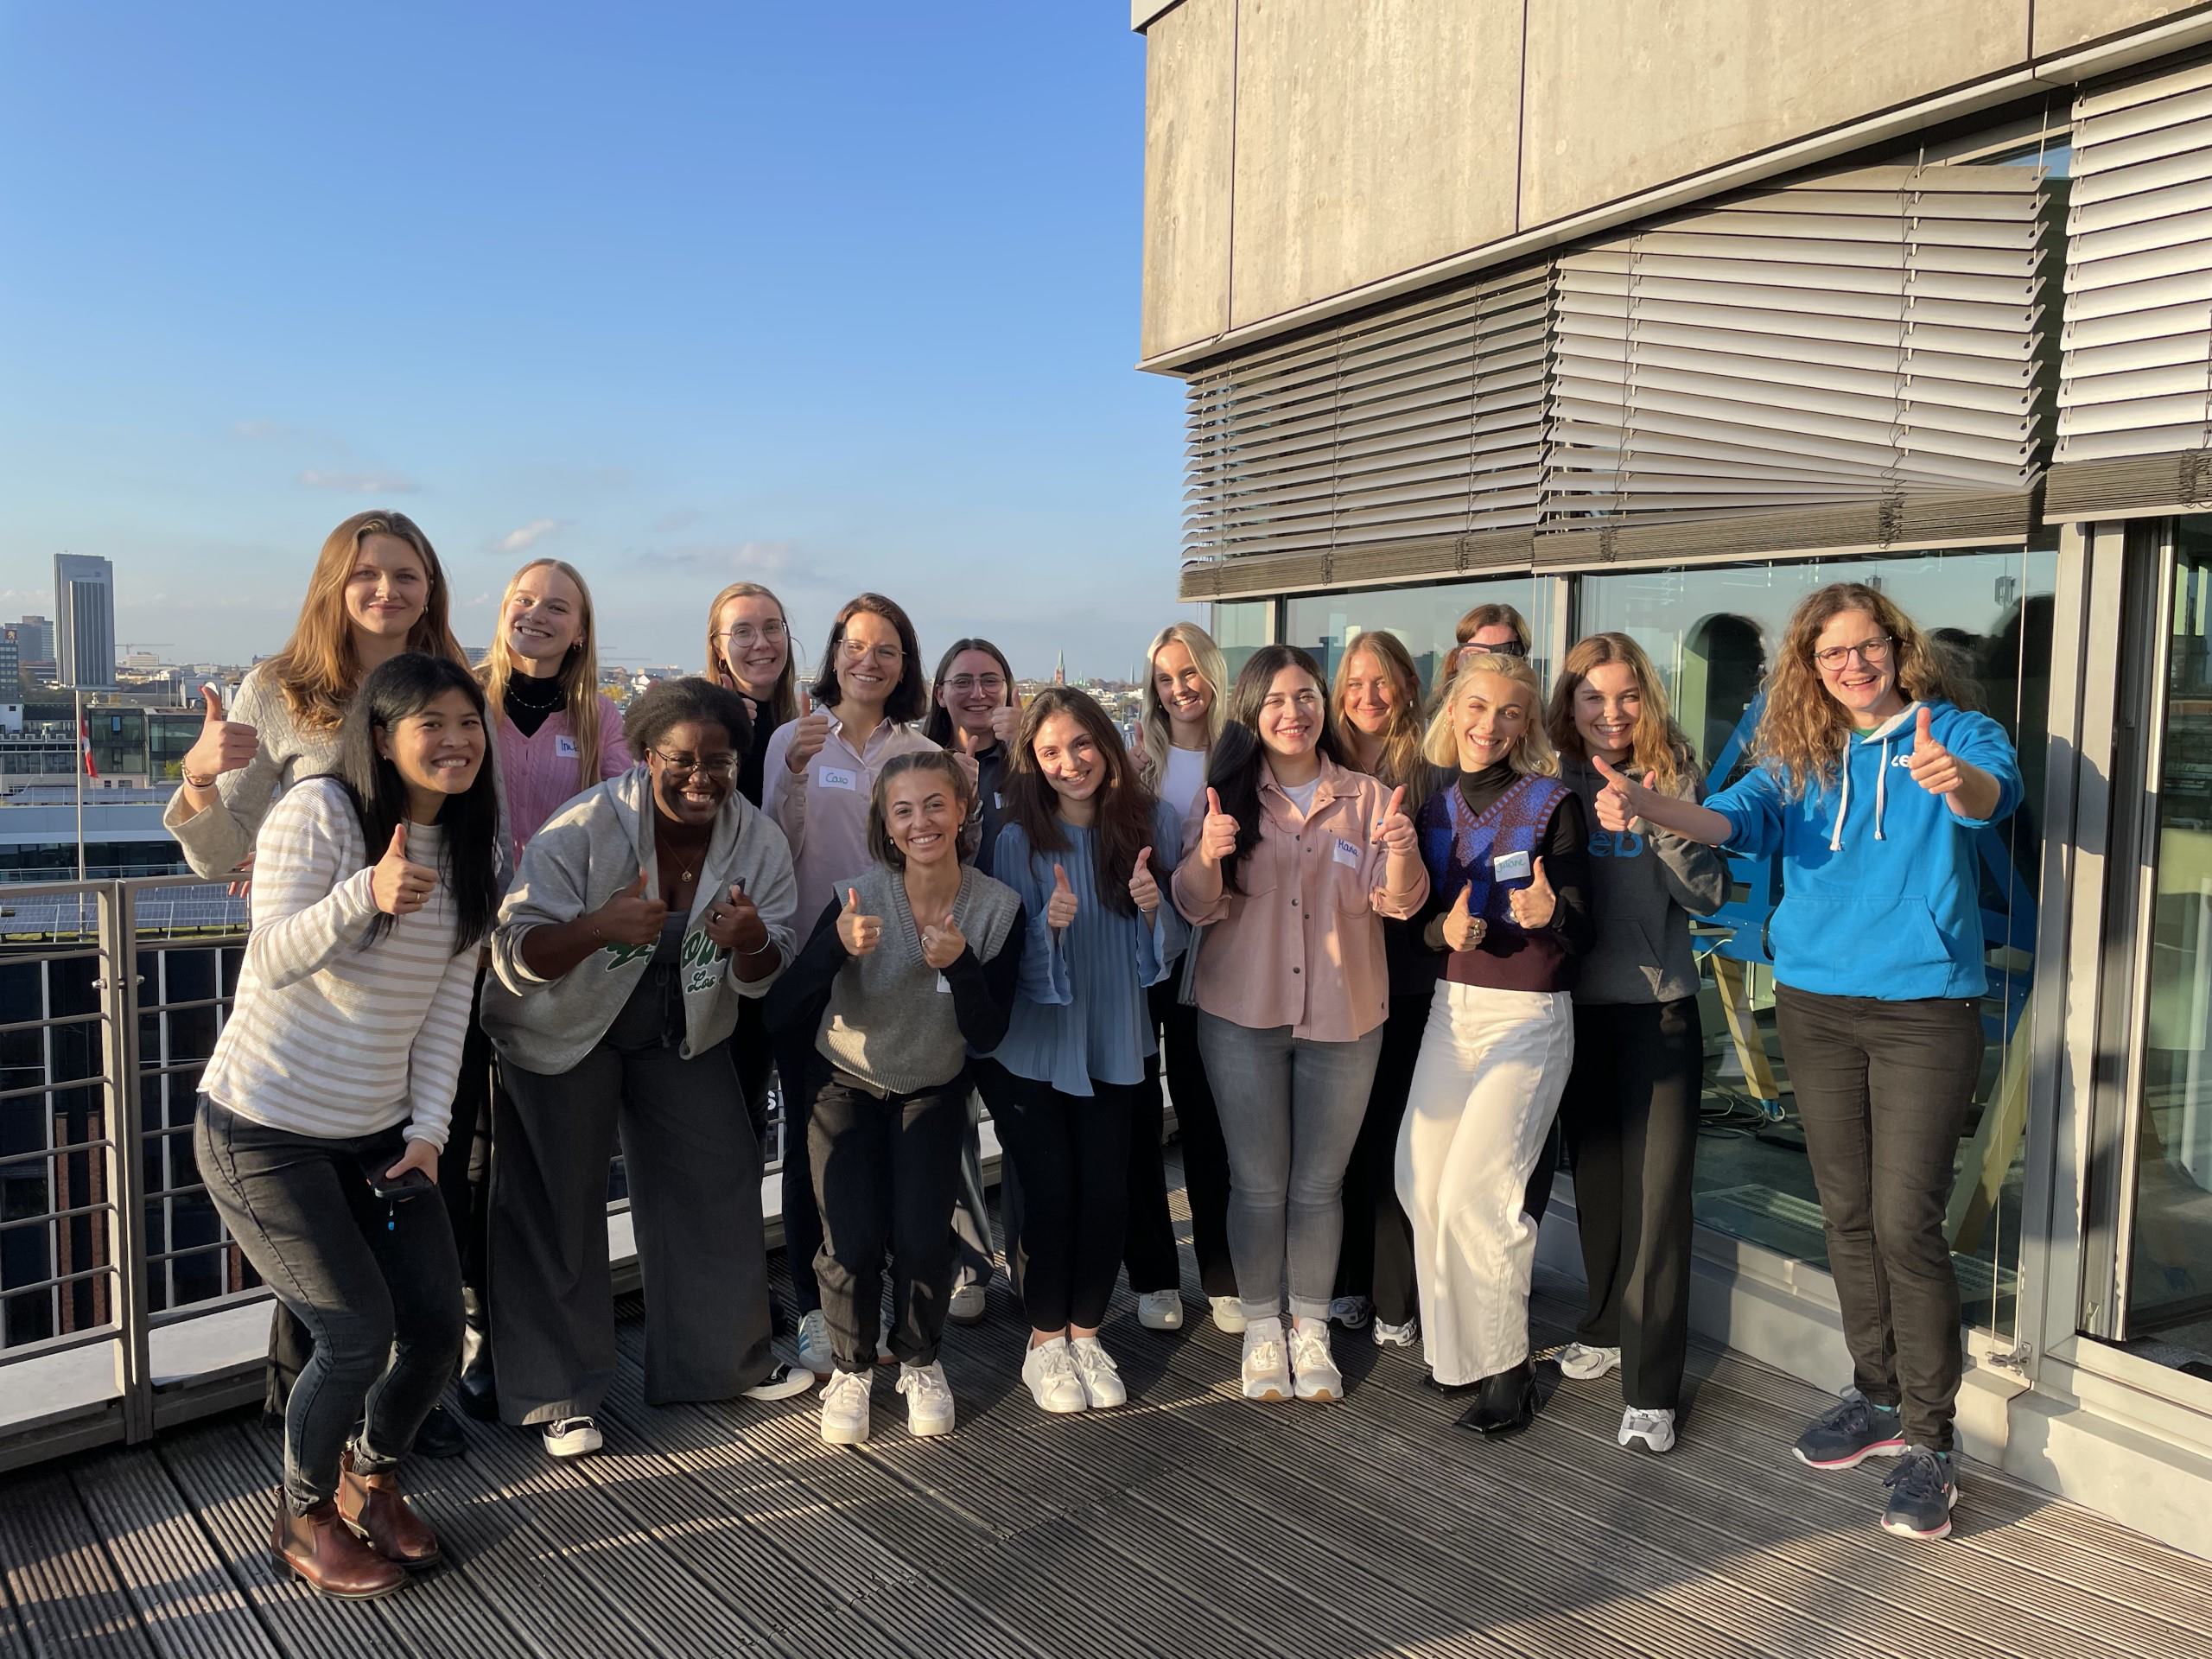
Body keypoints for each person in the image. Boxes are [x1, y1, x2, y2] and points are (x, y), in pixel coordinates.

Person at [1591, 582, 2020, 1540]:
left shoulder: (1953, 733)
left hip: (1921, 1011)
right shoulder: (1802, 755)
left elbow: (1992, 799)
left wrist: (1954, 782)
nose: (1852, 666)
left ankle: (1929, 1441)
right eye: (1832, 655)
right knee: (1846, 1212)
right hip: (1817, 1007)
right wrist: (1649, 803)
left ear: (1896, 649)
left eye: (1866, 647)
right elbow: (1729, 823)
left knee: (1906, 1223)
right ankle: (1872, 1394)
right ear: (1811, 667)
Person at [191, 652, 499, 1599]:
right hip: (264, 1129)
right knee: (355, 1334)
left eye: (467, 724)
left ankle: (372, 1478)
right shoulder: (319, 813)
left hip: (379, 1137)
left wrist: (431, 1132)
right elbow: (269, 962)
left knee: (439, 1331)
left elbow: (450, 1009)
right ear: (381, 736)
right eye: (430, 725)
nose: (453, 742)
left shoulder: (475, 853)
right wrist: (362, 895)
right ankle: (305, 1509)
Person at [165, 509, 472, 1450]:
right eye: (368, 574)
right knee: (321, 1256)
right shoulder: (280, 690)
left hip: (408, 1007)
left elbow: (474, 812)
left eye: (407, 575)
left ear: (431, 589)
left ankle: (400, 1415)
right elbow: (220, 860)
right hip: (308, 1010)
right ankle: (316, 1423)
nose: (387, 592)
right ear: (335, 585)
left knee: (399, 1221)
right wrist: (199, 778)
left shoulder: (454, 685)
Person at [482, 677, 810, 1463]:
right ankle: (555, 1393)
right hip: (564, 1028)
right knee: (557, 1202)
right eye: (682, 761)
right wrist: (599, 927)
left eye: (720, 762)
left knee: (719, 1172)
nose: (702, 778)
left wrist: (751, 940)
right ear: (646, 757)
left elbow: (774, 968)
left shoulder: (756, 838)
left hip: (682, 1026)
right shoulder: (587, 825)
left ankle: (721, 1361)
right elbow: (513, 947)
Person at [1172, 645, 1427, 1402]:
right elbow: (1192, 903)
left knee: (1321, 1184)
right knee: (1256, 1184)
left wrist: (1405, 856)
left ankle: (1309, 1328)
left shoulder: (1371, 797)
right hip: (1240, 1016)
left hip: (1345, 1018)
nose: (1295, 712)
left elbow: (1401, 903)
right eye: (1277, 700)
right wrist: (1210, 856)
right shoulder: (1223, 797)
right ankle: (1259, 1328)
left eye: (1307, 696)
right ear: (1252, 712)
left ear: (1325, 704)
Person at [767, 752, 1031, 1446]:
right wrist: (834, 949)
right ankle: (854, 1369)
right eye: (904, 810)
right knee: (849, 1237)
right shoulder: (855, 893)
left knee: (921, 1237)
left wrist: (963, 964)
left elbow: (990, 1030)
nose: (922, 823)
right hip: (844, 1080)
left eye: (935, 805)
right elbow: (784, 1008)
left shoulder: (998, 908)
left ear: (963, 809)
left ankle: (919, 1358)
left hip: (934, 1086)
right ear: (885, 823)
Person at [452, 559, 634, 1419]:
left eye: (557, 607)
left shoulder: (602, 721)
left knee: (532, 1160)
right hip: (456, 952)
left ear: (579, 628)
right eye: (525, 601)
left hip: (556, 963)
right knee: (462, 1150)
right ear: (503, 611)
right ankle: (473, 1328)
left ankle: (519, 1344)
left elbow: (629, 820)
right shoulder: (464, 700)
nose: (537, 616)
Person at [1399, 650, 1593, 1437]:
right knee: (1423, 1185)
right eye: (1478, 708)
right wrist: (1435, 930)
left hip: (1529, 1017)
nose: (1491, 726)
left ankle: (1509, 1370)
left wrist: (1551, 917)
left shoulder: (1554, 804)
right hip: (1452, 1010)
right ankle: (1459, 1357)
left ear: (1528, 725)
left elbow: (1584, 924)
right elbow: (1416, 923)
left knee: (1481, 1197)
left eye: (1511, 713)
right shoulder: (1431, 805)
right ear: (1453, 710)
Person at [760, 594, 953, 1377]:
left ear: (906, 664)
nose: (869, 661)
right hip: (817, 955)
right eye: (857, 645)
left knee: (898, 1141)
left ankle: (894, 1310)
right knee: (818, 1144)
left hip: (902, 963)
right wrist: (800, 772)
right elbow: (776, 846)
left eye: (889, 649)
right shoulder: (793, 737)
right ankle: (817, 1309)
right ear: (835, 652)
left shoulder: (919, 745)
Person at [1546, 633, 1727, 1454]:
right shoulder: (1549, 779)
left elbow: (1709, 890)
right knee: (1600, 1186)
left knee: (1660, 1202)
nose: (1610, 713)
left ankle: (1651, 1389)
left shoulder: (1675, 776)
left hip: (1659, 1010)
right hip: (1572, 1012)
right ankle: (1602, 1324)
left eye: (1625, 697)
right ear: (1569, 706)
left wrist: (1653, 821)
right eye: (1592, 698)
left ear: (1646, 700)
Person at [985, 688, 1185, 1414]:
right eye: (1050, 752)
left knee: (1107, 1193)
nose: (1070, 763)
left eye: (1081, 745)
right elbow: (1009, 967)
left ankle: (1087, 1331)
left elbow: (1168, 957)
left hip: (1116, 1035)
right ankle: (1044, 1342)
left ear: (1106, 744)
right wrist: (1051, 928)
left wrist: (1153, 907)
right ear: (1032, 764)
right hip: (1037, 1047)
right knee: (1050, 1196)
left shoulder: (1151, 823)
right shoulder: (1016, 840)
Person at [1327, 631, 1446, 1351]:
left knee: (1404, 1138)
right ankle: (1348, 1282)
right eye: (1354, 685)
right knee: (1347, 1138)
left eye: (1382, 682)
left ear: (1407, 686)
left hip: (1412, 977)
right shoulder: (1325, 766)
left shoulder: (1433, 770)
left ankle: (1398, 1291)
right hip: (1340, 979)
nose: (1368, 697)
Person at [1128, 621, 1236, 1332]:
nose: (1179, 689)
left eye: (1190, 673)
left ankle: (1224, 1275)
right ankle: (1155, 1278)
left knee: (1208, 1117)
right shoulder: (1137, 761)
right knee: (1138, 1119)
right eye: (1166, 678)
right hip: (1141, 958)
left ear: (1213, 675)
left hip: (1218, 957)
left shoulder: (1244, 754)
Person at [924, 637, 1024, 1326]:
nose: (977, 693)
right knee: (949, 1116)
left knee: (1020, 1113)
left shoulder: (1035, 761)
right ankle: (967, 1264)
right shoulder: (920, 762)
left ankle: (1024, 1253)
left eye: (992, 681)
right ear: (939, 692)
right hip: (940, 952)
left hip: (1017, 951)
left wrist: (1021, 760)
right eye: (963, 681)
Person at [706, 580, 803, 1154]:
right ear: (719, 645)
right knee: (725, 1106)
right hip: (718, 941)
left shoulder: (809, 717)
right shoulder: (702, 720)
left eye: (772, 628)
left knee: (769, 1102)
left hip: (791, 932)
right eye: (742, 631)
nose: (760, 642)